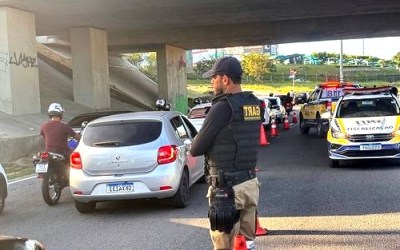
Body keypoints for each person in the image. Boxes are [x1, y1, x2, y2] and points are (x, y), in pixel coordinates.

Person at [190, 56, 261, 250]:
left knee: (225, 246)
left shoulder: (221, 108)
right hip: (249, 185)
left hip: (227, 190)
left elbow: (196, 148)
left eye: (213, 77)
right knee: (247, 243)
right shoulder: (253, 104)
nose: (211, 82)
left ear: (225, 79)